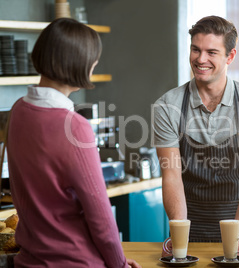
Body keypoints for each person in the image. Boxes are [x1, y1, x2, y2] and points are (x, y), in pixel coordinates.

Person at [7, 18, 141, 268]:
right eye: (93, 58)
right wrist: (120, 265)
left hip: (28, 261)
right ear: (78, 63)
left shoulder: (17, 111)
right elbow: (100, 217)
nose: (95, 63)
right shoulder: (74, 127)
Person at [152, 15, 239, 257]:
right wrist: (179, 232)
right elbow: (171, 175)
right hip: (188, 226)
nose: (201, 59)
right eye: (195, 50)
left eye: (211, 52)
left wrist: (237, 231)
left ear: (230, 56)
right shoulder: (168, 106)